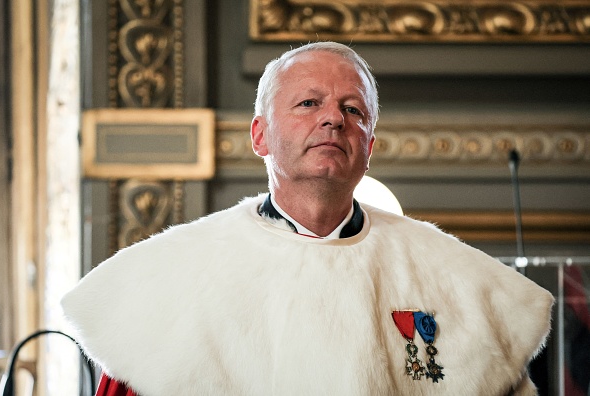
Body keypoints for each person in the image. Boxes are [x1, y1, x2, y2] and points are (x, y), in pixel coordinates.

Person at [62, 42, 553, 395]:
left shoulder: (454, 276)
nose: (334, 118)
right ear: (260, 136)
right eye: (309, 103)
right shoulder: (169, 275)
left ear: (369, 148)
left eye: (353, 109)